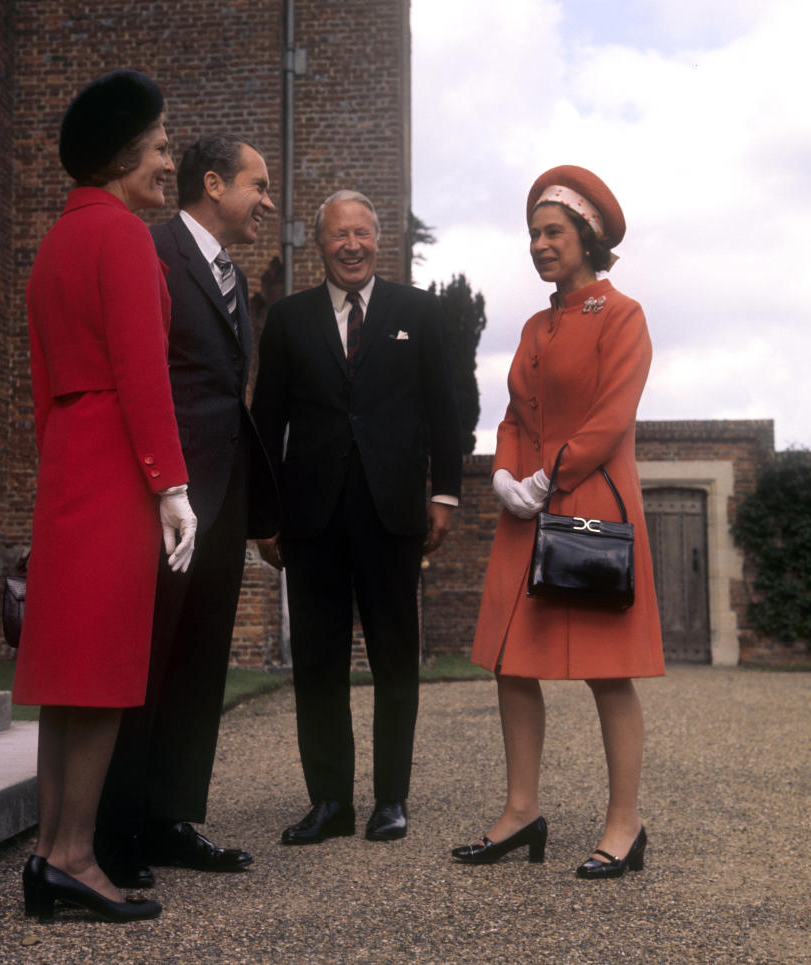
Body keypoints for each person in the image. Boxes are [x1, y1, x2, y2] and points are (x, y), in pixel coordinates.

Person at [12, 71, 198, 922]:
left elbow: (46, 384)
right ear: (125, 154)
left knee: (66, 675)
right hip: (121, 460)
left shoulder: (57, 240)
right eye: (161, 145)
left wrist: (68, 468)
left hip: (70, 464)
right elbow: (142, 371)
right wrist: (171, 483)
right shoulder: (124, 237)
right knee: (101, 673)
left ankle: (50, 850)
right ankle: (77, 855)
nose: (169, 159)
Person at [451, 165, 663, 879]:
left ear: (587, 238)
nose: (541, 244)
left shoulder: (624, 315)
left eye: (554, 232)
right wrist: (505, 473)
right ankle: (519, 812)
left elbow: (611, 416)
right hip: (527, 512)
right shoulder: (534, 325)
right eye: (534, 233)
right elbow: (513, 414)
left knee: (608, 672)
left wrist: (551, 473)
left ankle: (625, 824)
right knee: (512, 664)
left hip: (591, 506)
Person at [95, 135, 280, 885]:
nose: (266, 201)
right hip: (169, 495)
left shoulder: (232, 275)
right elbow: (142, 374)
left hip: (225, 494)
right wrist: (164, 485)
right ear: (214, 183)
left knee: (202, 656)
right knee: (151, 652)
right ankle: (117, 831)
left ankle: (172, 817)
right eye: (257, 185)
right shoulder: (153, 251)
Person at [252, 190, 462, 845]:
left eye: (362, 234)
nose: (351, 245)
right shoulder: (288, 319)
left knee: (396, 659)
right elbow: (266, 425)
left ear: (379, 239)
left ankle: (391, 799)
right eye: (338, 234)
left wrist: (446, 494)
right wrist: (264, 515)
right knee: (317, 663)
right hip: (310, 519)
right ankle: (330, 802)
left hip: (392, 512)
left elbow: (444, 411)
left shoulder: (419, 313)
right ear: (320, 244)